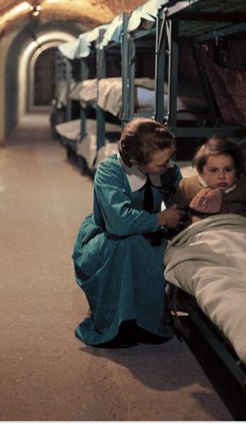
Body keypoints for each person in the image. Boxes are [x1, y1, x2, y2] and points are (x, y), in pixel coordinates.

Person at [72, 119, 186, 347]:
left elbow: (181, 200)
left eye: (169, 159)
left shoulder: (166, 169)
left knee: (155, 249)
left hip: (147, 235)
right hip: (107, 237)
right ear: (135, 162)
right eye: (161, 164)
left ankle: (147, 322)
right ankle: (118, 324)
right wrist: (160, 218)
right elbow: (119, 223)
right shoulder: (109, 171)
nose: (169, 166)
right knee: (125, 246)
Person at [175, 136, 246, 223]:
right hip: (204, 231)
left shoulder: (245, 186)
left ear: (236, 169)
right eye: (213, 170)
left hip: (237, 229)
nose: (221, 176)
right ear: (201, 172)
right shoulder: (188, 187)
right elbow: (177, 218)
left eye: (228, 170)